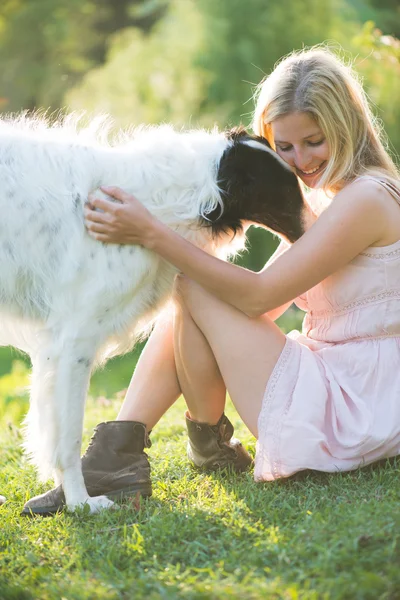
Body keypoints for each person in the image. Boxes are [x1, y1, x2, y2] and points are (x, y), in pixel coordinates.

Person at [22, 47, 400, 515]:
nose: (300, 161)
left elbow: (259, 296)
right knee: (194, 284)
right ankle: (118, 454)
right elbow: (260, 307)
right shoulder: (329, 201)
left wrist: (151, 233)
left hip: (353, 403)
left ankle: (190, 446)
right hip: (338, 380)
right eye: (284, 147)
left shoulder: (366, 200)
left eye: (314, 141)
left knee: (193, 281)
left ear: (346, 126)